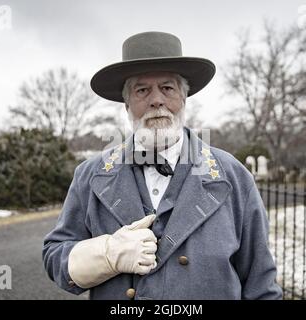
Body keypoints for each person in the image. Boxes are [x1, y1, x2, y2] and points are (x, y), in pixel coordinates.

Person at [42, 31, 282, 300]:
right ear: (127, 104)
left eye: (167, 88)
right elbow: (55, 256)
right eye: (142, 90)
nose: (156, 100)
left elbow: (262, 285)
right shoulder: (90, 176)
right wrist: (108, 254)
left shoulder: (234, 177)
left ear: (184, 98)